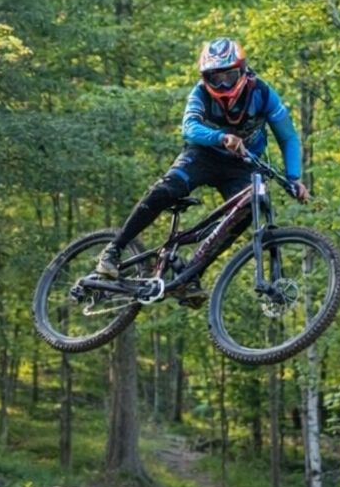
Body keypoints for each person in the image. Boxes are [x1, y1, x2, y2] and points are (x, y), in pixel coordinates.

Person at [94, 38, 309, 298]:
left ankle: (190, 276)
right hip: (202, 155)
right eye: (215, 78)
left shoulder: (262, 93)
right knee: (166, 189)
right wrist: (221, 137)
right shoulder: (200, 93)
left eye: (229, 76)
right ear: (205, 78)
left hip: (242, 164)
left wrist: (294, 177)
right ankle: (114, 249)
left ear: (242, 71)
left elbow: (288, 137)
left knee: (243, 215)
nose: (223, 84)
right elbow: (189, 128)